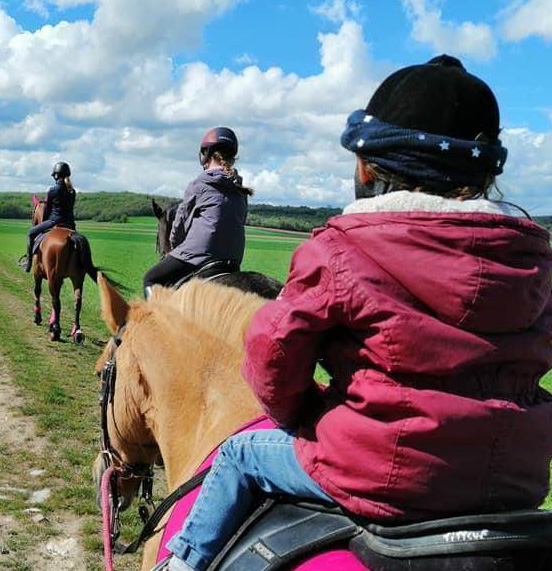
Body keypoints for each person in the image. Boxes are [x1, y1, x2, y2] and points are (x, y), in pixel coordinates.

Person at [156, 55, 552, 571]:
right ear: (486, 173)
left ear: (365, 167)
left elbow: (272, 354)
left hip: (375, 471)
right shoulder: (535, 260)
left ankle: (181, 564)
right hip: (513, 480)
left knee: (238, 454)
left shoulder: (342, 248)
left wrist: (302, 414)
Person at [143, 127, 252, 298]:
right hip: (233, 259)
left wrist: (175, 247)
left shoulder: (199, 184)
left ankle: (154, 324)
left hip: (197, 256)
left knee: (150, 278)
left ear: (206, 155)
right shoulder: (240, 190)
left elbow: (179, 223)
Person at [24, 161, 76, 272]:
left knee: (30, 232)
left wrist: (45, 221)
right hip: (71, 224)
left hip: (54, 221)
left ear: (56, 175)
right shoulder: (72, 191)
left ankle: (28, 262)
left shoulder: (53, 190)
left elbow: (47, 211)